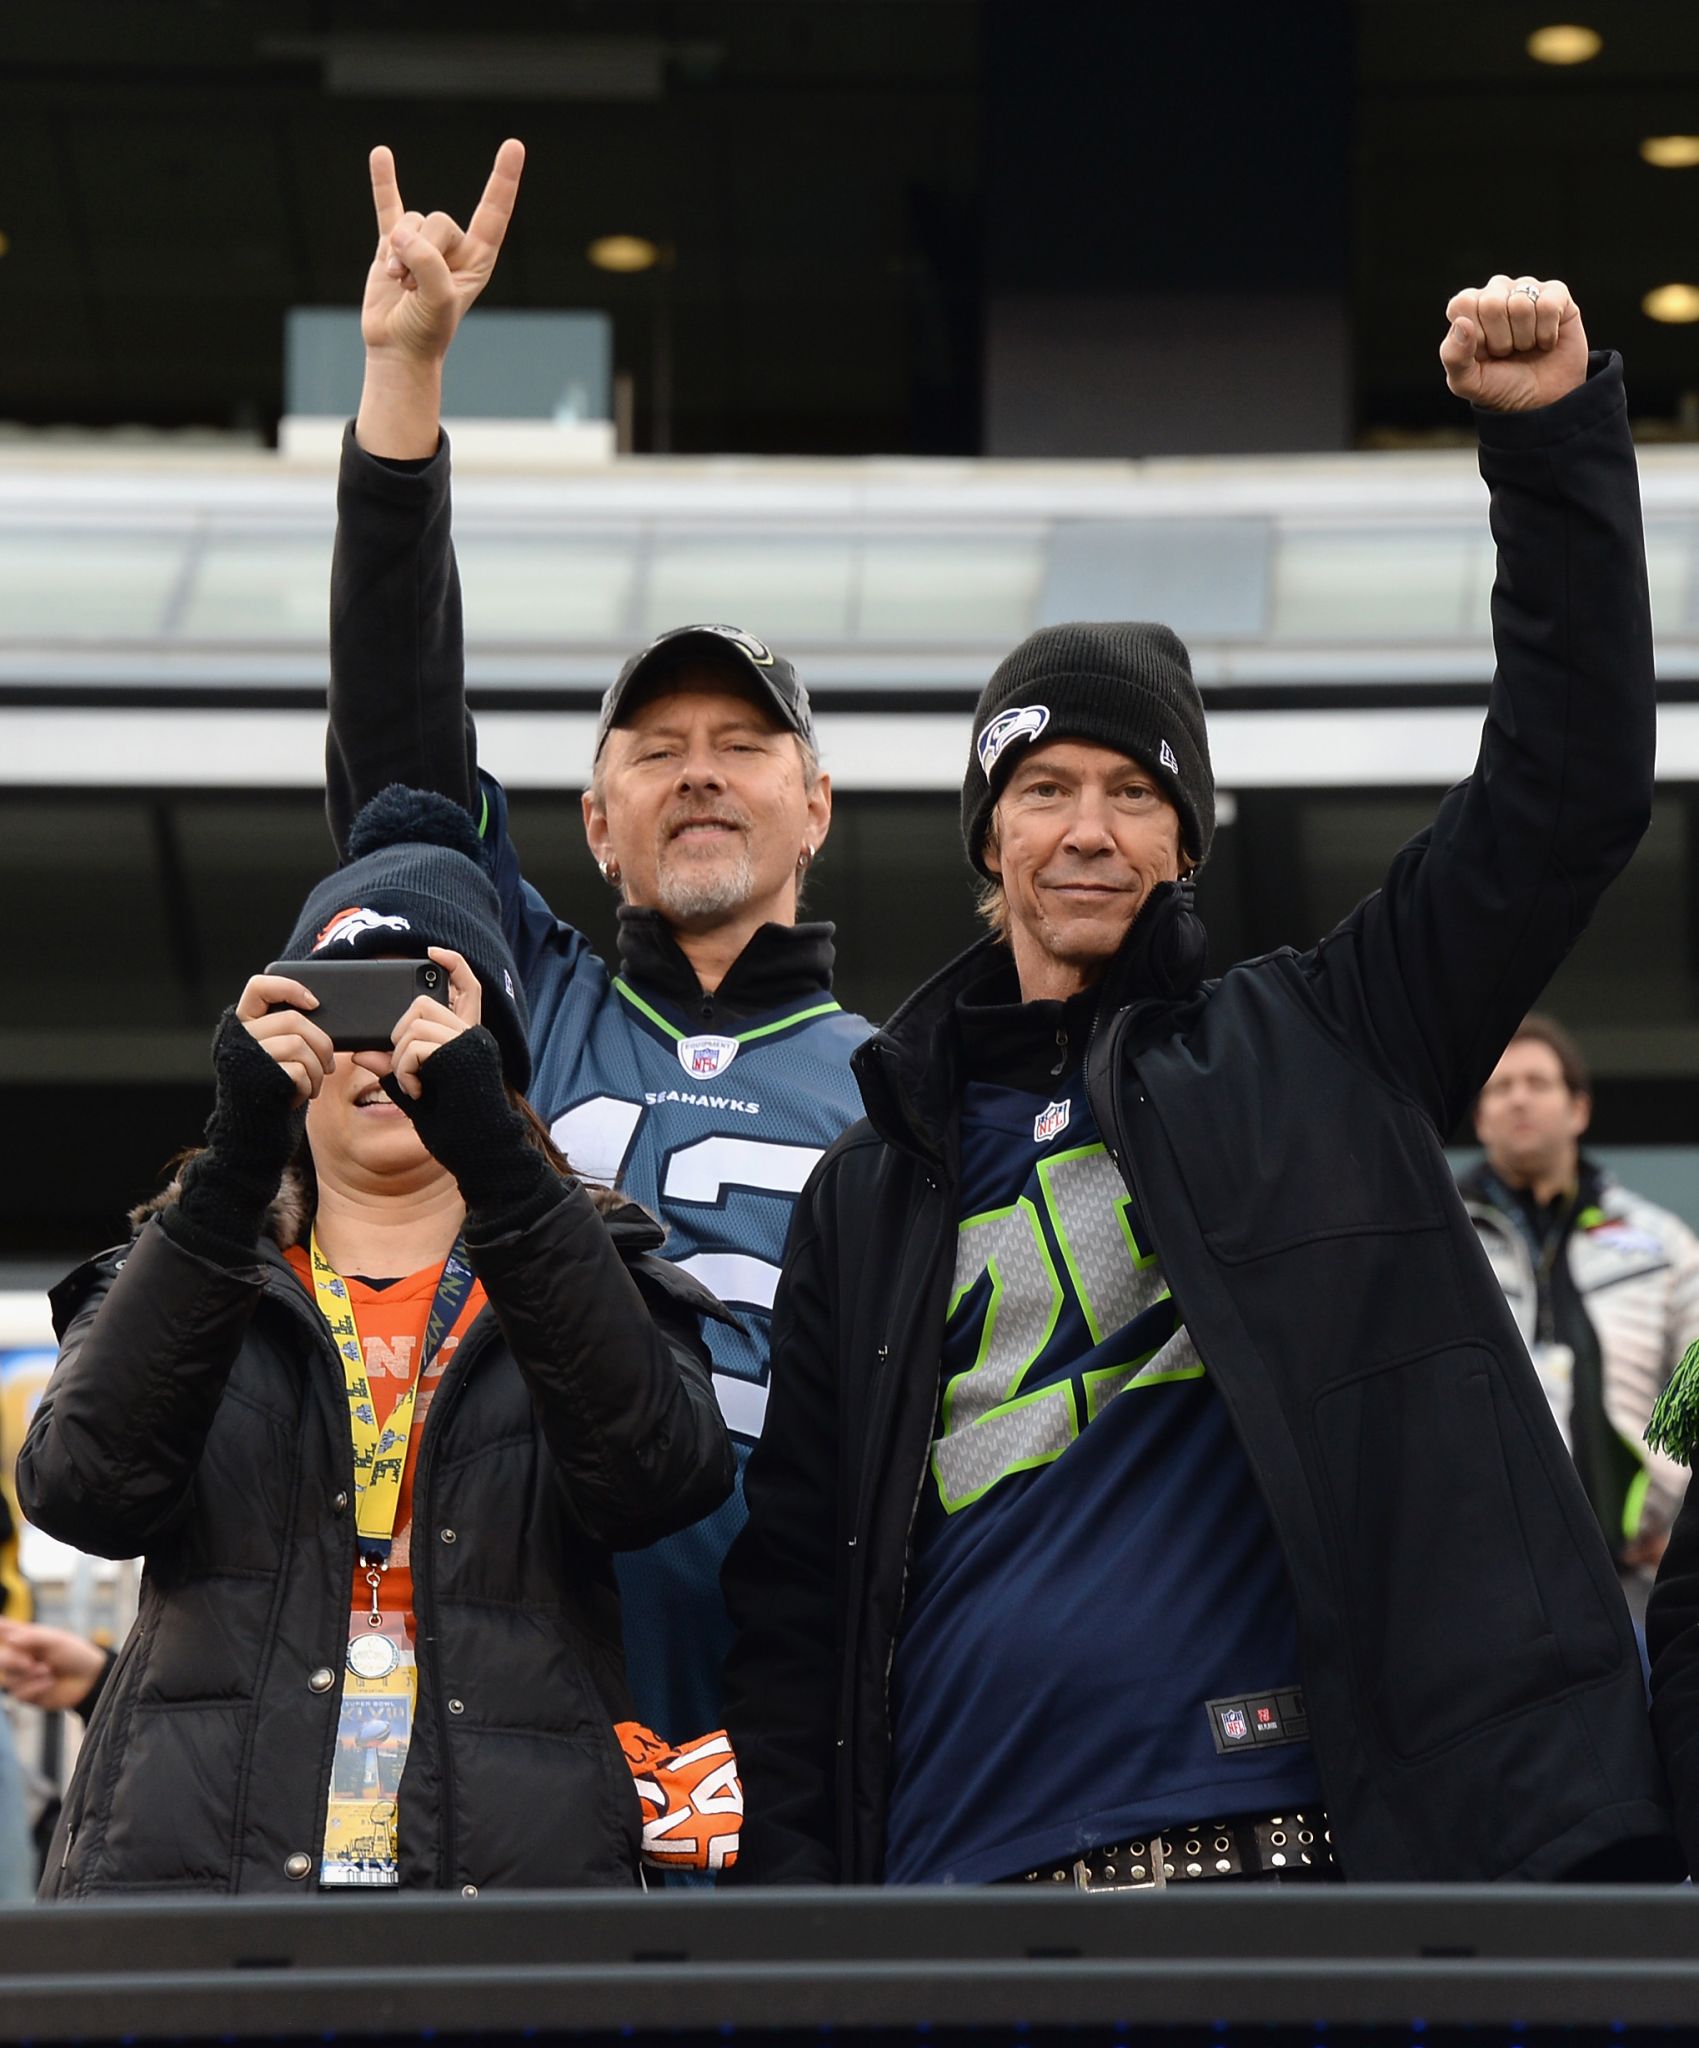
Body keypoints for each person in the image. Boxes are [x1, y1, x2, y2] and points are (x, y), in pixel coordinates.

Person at [721, 275, 1683, 1888]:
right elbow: (793, 1593)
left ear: (1184, 839)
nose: (1084, 827)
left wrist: (1546, 445)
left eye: (1126, 789)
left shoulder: (1323, 1034)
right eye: (1040, 788)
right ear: (986, 838)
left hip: (1287, 1859)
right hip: (952, 1882)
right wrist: (798, 1910)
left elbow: (1566, 785)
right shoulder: (870, 1181)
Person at [325, 141, 871, 1751]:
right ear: (593, 819)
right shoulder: (524, 1000)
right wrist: (403, 385)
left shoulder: (908, 1086)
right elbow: (401, 768)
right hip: (513, 1701)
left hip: (811, 1722)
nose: (698, 767)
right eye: (654, 746)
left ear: (816, 807)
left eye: (742, 742)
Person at [16, 787, 734, 1896]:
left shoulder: (595, 1271)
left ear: (492, 1048)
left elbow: (659, 1477)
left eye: (425, 1010)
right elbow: (82, 1490)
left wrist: (495, 1155)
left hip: (500, 1897)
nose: (381, 1053)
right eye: (344, 1011)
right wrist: (230, 1167)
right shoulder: (185, 1270)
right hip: (201, 1888)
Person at [1461, 1015, 1699, 1618]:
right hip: (1482, 1587)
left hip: (1639, 1581)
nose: (1519, 1097)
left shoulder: (1662, 1241)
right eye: (1500, 1086)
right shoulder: (1438, 1246)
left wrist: (1675, 1514)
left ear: (1579, 1109)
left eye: (1538, 1082)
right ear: (1481, 1117)